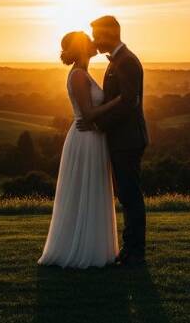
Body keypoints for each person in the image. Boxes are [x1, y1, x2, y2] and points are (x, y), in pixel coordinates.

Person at [37, 31, 122, 268]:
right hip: (85, 138)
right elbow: (88, 114)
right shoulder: (77, 75)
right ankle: (79, 248)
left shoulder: (83, 73)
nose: (95, 43)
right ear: (83, 47)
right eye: (90, 40)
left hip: (93, 137)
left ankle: (94, 246)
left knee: (93, 189)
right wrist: (118, 101)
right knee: (85, 188)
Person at [79, 15, 148, 267]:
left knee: (130, 196)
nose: (96, 41)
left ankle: (135, 253)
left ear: (110, 34)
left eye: (97, 35)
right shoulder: (119, 60)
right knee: (127, 196)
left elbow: (129, 103)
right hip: (122, 138)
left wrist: (98, 124)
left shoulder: (126, 61)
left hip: (128, 138)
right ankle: (130, 251)